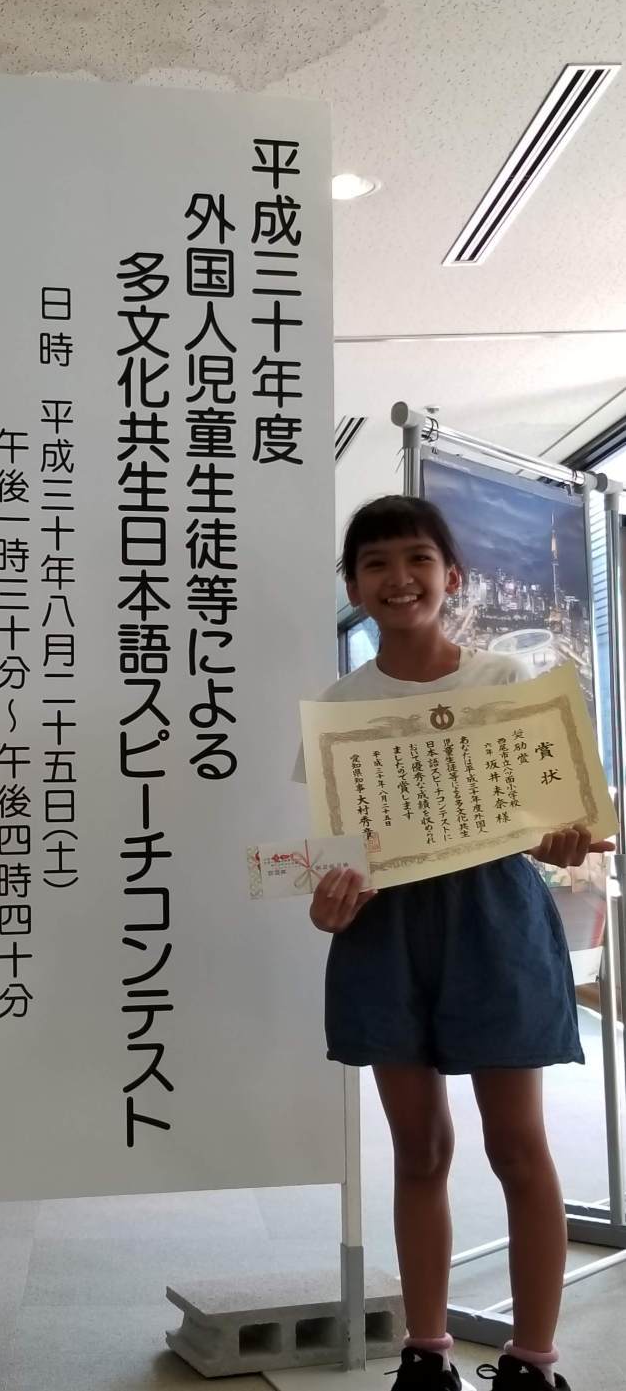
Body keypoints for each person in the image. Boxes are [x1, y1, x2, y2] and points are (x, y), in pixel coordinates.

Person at [300, 496, 609, 1391]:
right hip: (383, 930)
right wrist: (326, 907)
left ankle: (532, 1361)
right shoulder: (337, 709)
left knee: (517, 1145)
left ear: (451, 577)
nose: (398, 578)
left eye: (416, 558)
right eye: (374, 563)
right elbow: (331, 860)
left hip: (493, 917)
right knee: (418, 1148)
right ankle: (425, 1350)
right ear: (352, 584)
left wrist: (562, 842)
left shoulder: (504, 683)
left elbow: (554, 821)